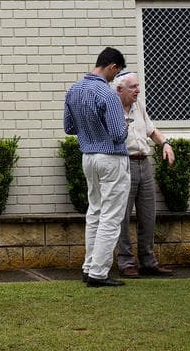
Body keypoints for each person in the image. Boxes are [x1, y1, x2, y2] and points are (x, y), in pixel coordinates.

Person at [64, 46, 129, 288]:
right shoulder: (108, 93)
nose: (116, 77)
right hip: (111, 157)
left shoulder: (74, 90)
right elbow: (116, 134)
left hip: (88, 156)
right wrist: (127, 125)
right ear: (112, 66)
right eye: (117, 72)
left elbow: (69, 128)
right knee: (111, 217)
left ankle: (89, 267)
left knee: (95, 213)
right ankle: (98, 273)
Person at [111, 70, 176, 277]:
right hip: (124, 164)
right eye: (133, 87)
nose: (138, 90)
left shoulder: (139, 106)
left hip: (144, 164)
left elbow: (151, 130)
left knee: (148, 215)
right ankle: (126, 262)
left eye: (138, 86)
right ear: (120, 89)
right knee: (122, 217)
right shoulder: (112, 109)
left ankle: (148, 261)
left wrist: (165, 143)